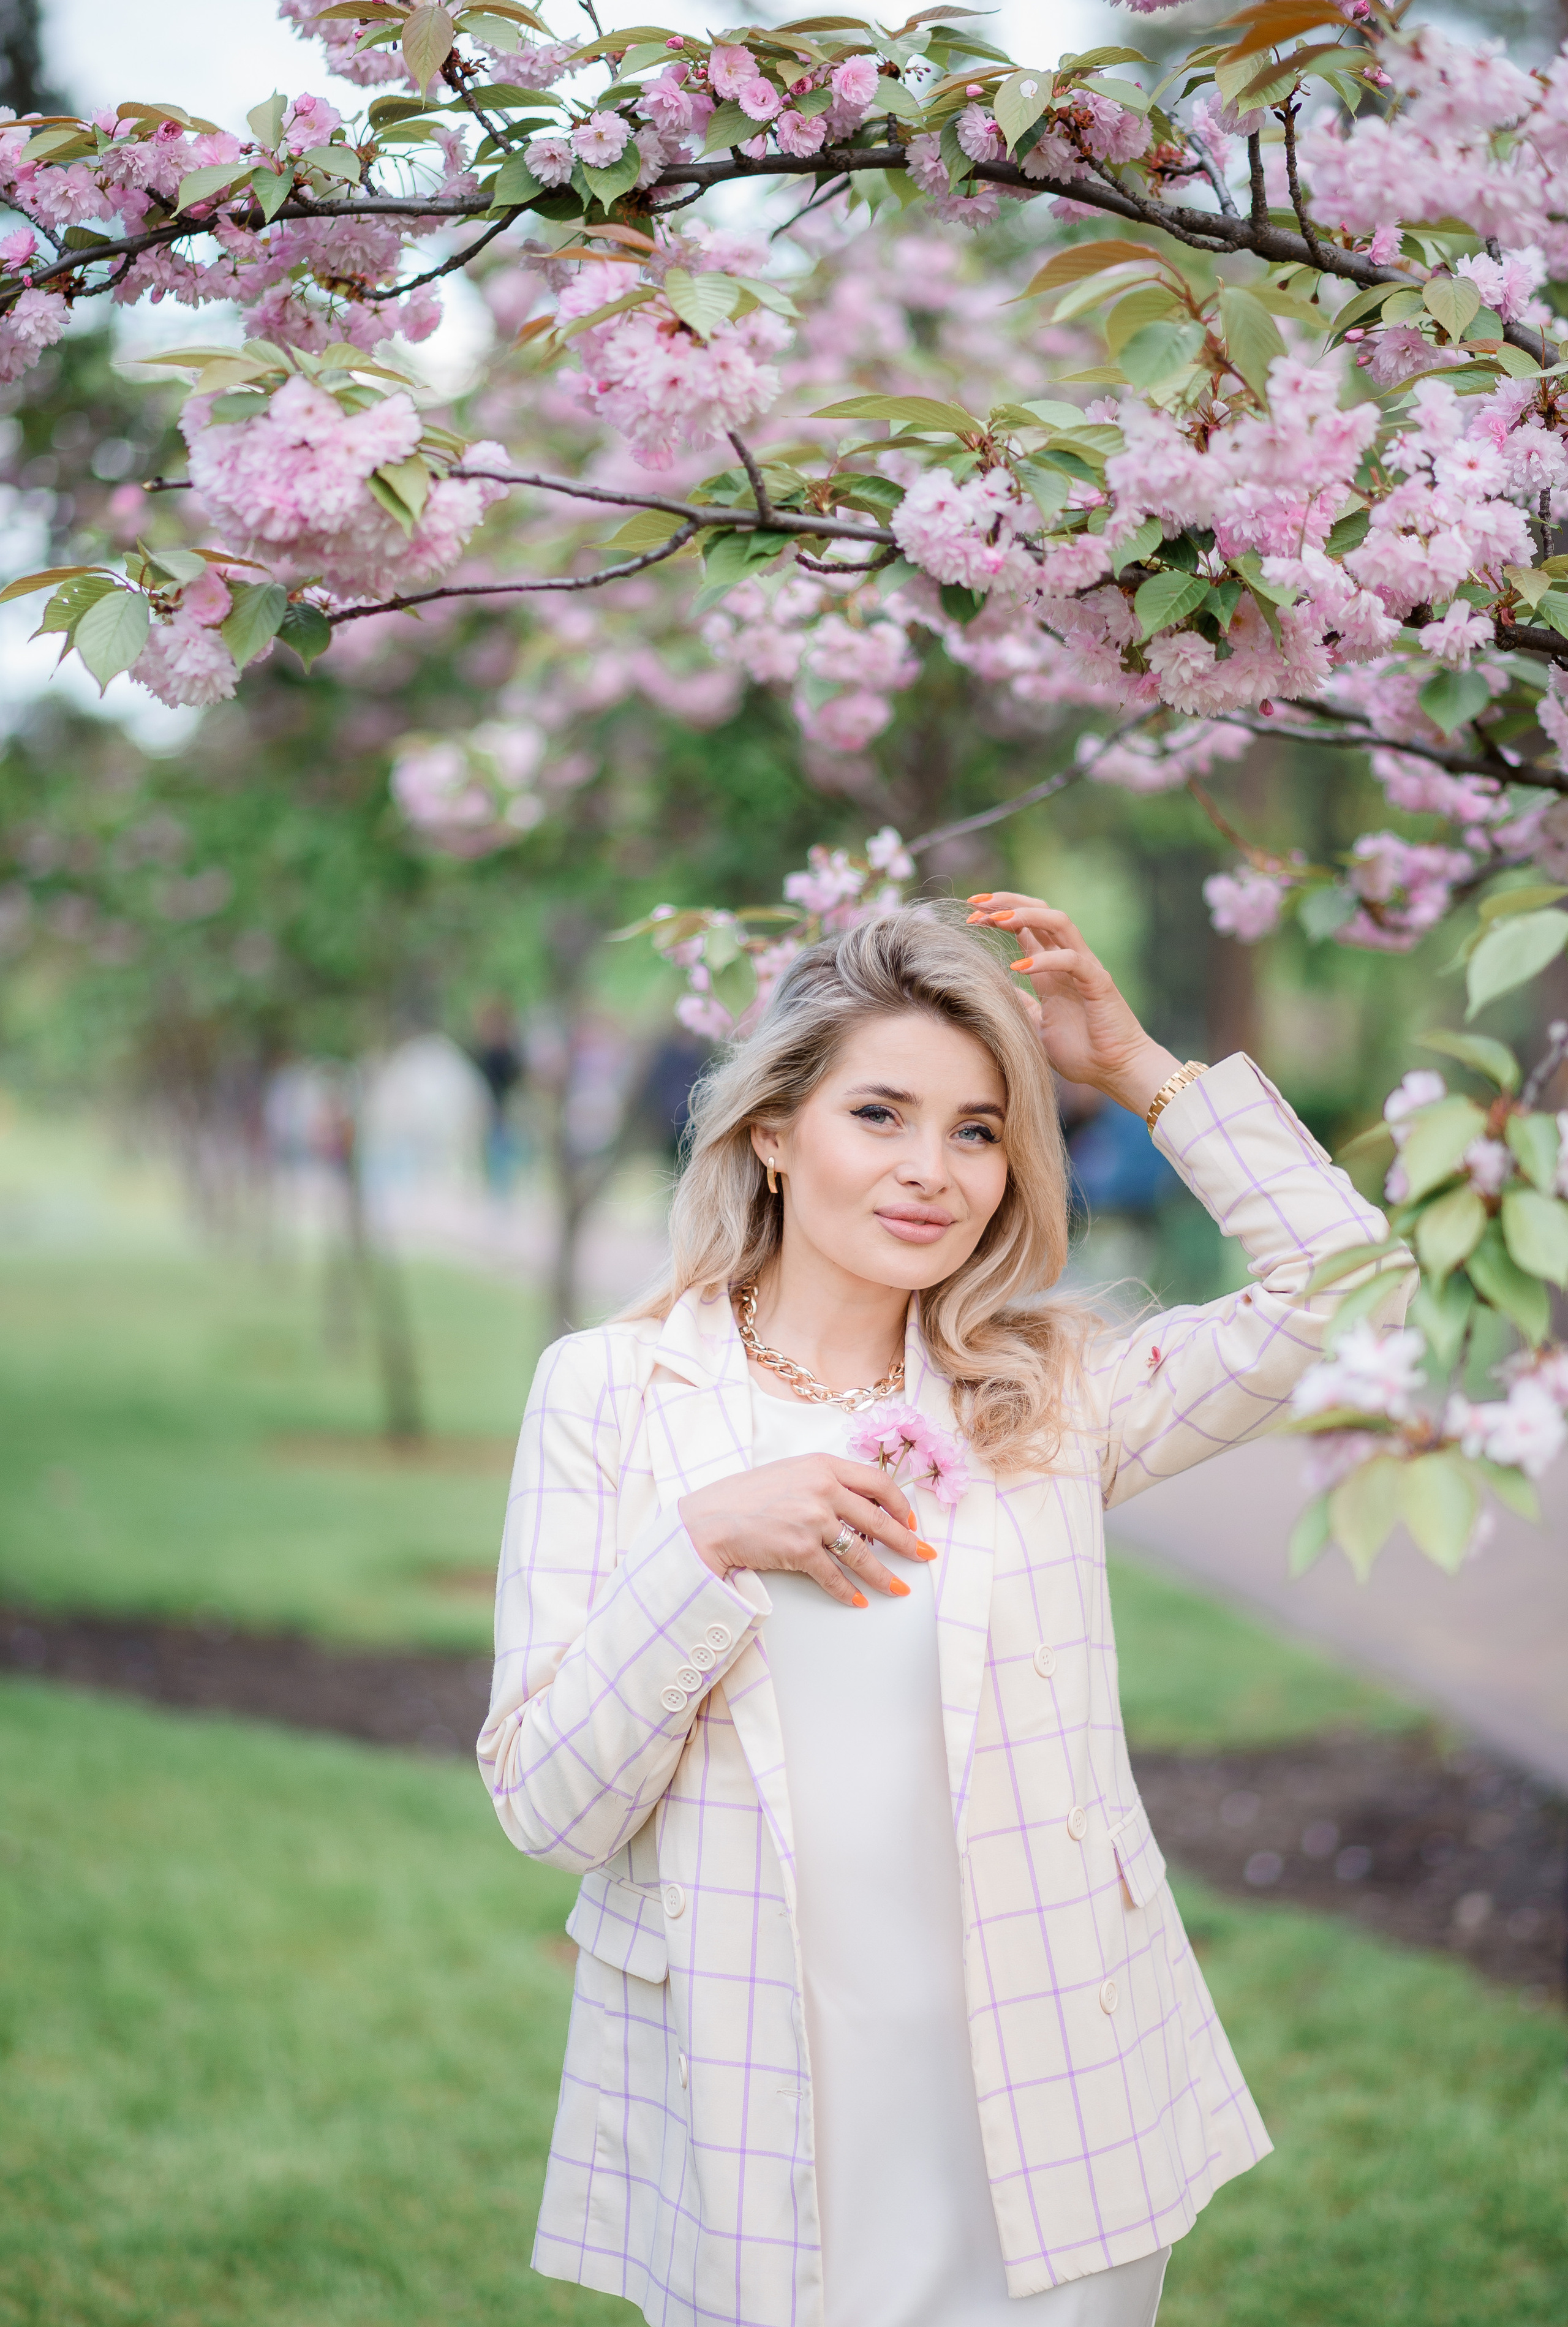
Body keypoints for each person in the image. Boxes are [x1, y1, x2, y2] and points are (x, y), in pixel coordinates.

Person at [478, 899, 1405, 2327]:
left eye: (977, 1129)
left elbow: (1344, 1289)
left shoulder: (1047, 1392)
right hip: (756, 2097)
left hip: (1045, 2094)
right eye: (880, 1114)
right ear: (772, 1133)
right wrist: (707, 1545)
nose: (931, 1171)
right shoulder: (607, 1394)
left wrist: (1139, 1067)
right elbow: (549, 1809)